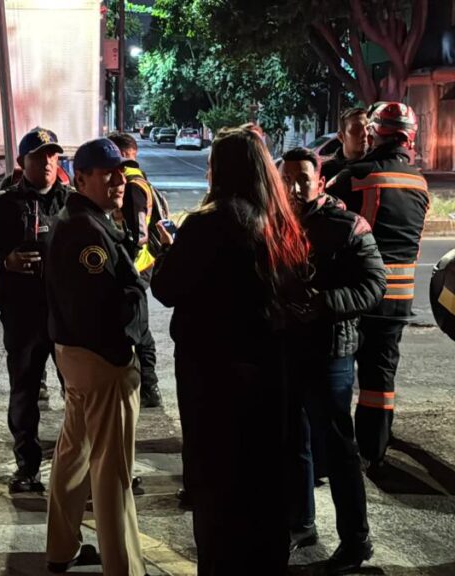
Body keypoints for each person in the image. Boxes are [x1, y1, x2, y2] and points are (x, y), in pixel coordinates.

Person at [151, 127, 310, 575]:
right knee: (264, 483)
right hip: (270, 372)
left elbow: (166, 287)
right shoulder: (279, 222)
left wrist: (165, 254)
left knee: (218, 487)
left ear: (220, 170)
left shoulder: (207, 222)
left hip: (213, 376)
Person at [45, 138, 151, 576]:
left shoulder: (81, 220)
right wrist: (138, 285)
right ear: (82, 177)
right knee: (112, 472)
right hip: (101, 359)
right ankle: (124, 567)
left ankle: (61, 547)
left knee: (74, 454)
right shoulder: (87, 229)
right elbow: (101, 305)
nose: (117, 181)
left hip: (77, 355)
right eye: (105, 173)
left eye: (120, 172)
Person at [281, 147, 385, 573]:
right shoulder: (275, 222)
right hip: (287, 351)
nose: (294, 186)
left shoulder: (347, 226)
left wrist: (326, 303)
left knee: (338, 449)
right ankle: (300, 522)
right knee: (292, 443)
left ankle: (356, 540)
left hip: (330, 354)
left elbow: (374, 283)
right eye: (287, 178)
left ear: (320, 181)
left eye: (303, 177)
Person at [0, 127, 72, 493]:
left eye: (53, 156)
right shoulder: (5, 203)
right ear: (23, 162)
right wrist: (3, 261)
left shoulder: (72, 202)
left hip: (65, 315)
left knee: (77, 392)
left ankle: (80, 464)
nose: (47, 163)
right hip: (22, 316)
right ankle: (27, 466)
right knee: (24, 391)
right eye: (39, 156)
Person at [328, 102, 429, 472]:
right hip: (400, 297)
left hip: (359, 294)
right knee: (380, 376)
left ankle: (343, 446)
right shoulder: (419, 181)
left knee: (339, 370)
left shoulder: (356, 177)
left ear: (374, 132)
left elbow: (328, 231)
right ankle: (375, 449)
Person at [107, 131, 166, 408]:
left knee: (140, 328)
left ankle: (149, 387)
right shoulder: (141, 181)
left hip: (136, 268)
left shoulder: (132, 185)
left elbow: (139, 233)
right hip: (141, 266)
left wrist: (125, 258)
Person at [322, 108, 369, 184]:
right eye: (356, 129)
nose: (365, 133)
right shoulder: (326, 170)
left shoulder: (377, 166)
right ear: (341, 137)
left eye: (368, 128)